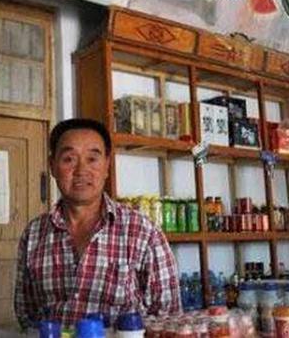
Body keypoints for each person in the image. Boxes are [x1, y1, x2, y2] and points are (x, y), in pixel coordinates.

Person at [14, 118, 181, 328]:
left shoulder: (142, 232)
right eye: (69, 159)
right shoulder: (34, 234)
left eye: (92, 159)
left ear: (107, 166)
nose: (81, 170)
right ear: (52, 166)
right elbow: (27, 316)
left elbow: (169, 319)